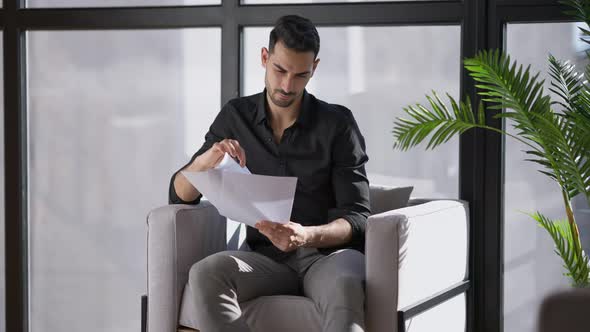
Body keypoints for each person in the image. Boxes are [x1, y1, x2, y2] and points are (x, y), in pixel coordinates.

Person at [169, 14, 370, 332]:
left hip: (325, 257)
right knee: (205, 273)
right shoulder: (236, 116)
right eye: (280, 70)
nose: (287, 86)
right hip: (266, 260)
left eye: (300, 75)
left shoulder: (338, 124)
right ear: (265, 57)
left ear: (314, 68)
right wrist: (208, 158)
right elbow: (179, 192)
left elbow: (357, 219)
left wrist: (306, 235)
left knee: (345, 281)